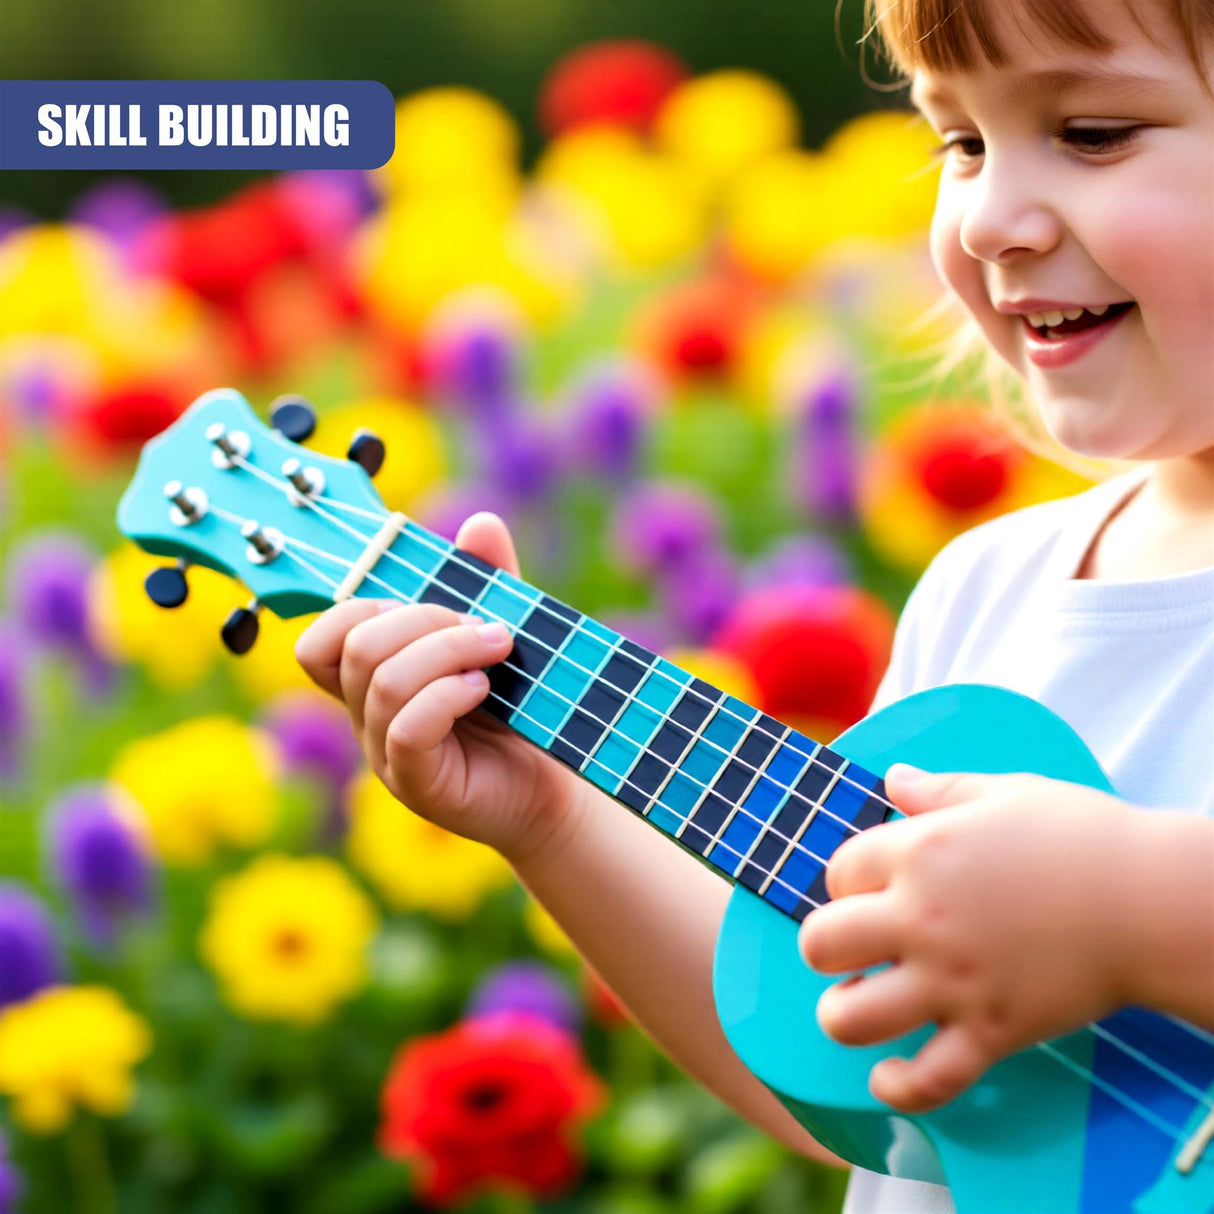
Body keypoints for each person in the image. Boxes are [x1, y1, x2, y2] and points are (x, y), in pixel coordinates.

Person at [295, 0, 1214, 1209]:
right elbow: (868, 1089)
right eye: (961, 142)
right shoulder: (987, 590)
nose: (988, 217)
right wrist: (548, 819)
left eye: (1091, 132)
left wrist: (1130, 910)